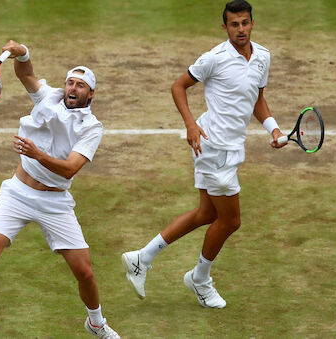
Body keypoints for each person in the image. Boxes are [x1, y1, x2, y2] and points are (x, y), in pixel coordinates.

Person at [0, 40, 120, 339]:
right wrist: (22, 51)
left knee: (84, 271)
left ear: (91, 93)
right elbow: (26, 75)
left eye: (80, 85)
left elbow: (70, 168)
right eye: (70, 83)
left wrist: (38, 154)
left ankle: (96, 322)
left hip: (55, 202)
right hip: (17, 193)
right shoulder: (48, 97)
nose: (72, 89)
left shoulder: (92, 127)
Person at [121, 0, 286, 309]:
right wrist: (190, 125)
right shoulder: (214, 58)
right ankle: (200, 278)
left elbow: (257, 99)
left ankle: (141, 258)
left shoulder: (263, 57)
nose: (240, 29)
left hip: (230, 147)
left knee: (207, 214)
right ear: (224, 27)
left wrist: (274, 130)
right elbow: (178, 86)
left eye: (245, 23)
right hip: (213, 148)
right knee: (231, 220)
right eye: (234, 24)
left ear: (252, 24)